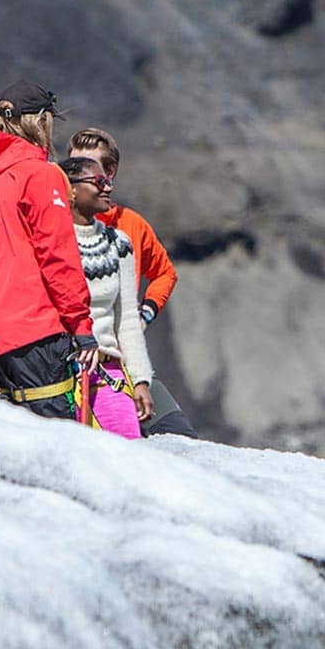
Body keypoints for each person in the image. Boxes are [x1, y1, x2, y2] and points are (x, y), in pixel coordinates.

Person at [0, 80, 96, 418]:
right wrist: (81, 325)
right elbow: (58, 257)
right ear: (42, 120)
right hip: (34, 334)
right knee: (53, 450)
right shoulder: (41, 175)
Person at [66, 127, 198, 438]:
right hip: (79, 362)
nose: (72, 175)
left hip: (123, 357)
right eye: (73, 166)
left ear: (109, 173)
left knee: (177, 435)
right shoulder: (55, 229)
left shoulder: (129, 228)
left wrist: (145, 314)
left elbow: (165, 273)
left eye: (89, 168)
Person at [62, 154, 154, 439]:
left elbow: (126, 316)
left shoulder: (119, 244)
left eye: (109, 181)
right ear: (71, 189)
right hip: (61, 374)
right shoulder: (49, 241)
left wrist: (140, 380)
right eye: (99, 181)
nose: (108, 188)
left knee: (127, 457)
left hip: (107, 373)